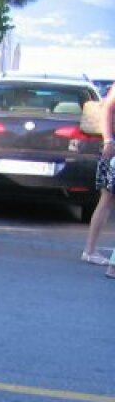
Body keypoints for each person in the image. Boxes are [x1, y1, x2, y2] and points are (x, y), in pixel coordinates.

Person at [81, 81, 115, 270]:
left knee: (107, 199)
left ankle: (90, 250)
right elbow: (108, 109)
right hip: (113, 147)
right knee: (107, 198)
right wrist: (109, 140)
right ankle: (90, 250)